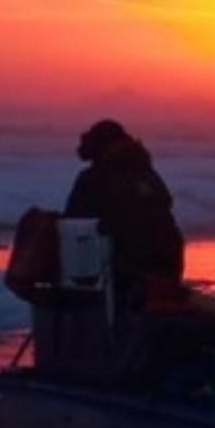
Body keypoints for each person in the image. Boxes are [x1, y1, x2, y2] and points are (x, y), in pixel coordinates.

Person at [63, 119, 185, 302]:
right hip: (166, 269)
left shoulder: (93, 179)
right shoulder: (147, 174)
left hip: (126, 276)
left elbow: (72, 226)